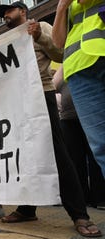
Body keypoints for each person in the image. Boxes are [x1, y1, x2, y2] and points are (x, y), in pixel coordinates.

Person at [0, 2, 102, 237]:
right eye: (2, 14)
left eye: (8, 12)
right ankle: (26, 209)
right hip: (17, 101)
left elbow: (59, 53)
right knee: (23, 156)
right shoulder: (6, 42)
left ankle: (79, 214)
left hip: (40, 96)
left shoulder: (40, 26)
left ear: (23, 11)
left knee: (58, 154)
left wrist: (39, 37)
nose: (5, 16)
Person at [52, 0, 105, 180]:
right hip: (80, 71)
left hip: (100, 57)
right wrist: (61, 9)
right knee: (100, 146)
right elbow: (58, 42)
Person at [53, 65, 105, 210]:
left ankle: (100, 198)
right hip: (68, 118)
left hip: (90, 116)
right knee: (75, 159)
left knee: (95, 157)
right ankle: (82, 196)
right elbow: (54, 84)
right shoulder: (65, 65)